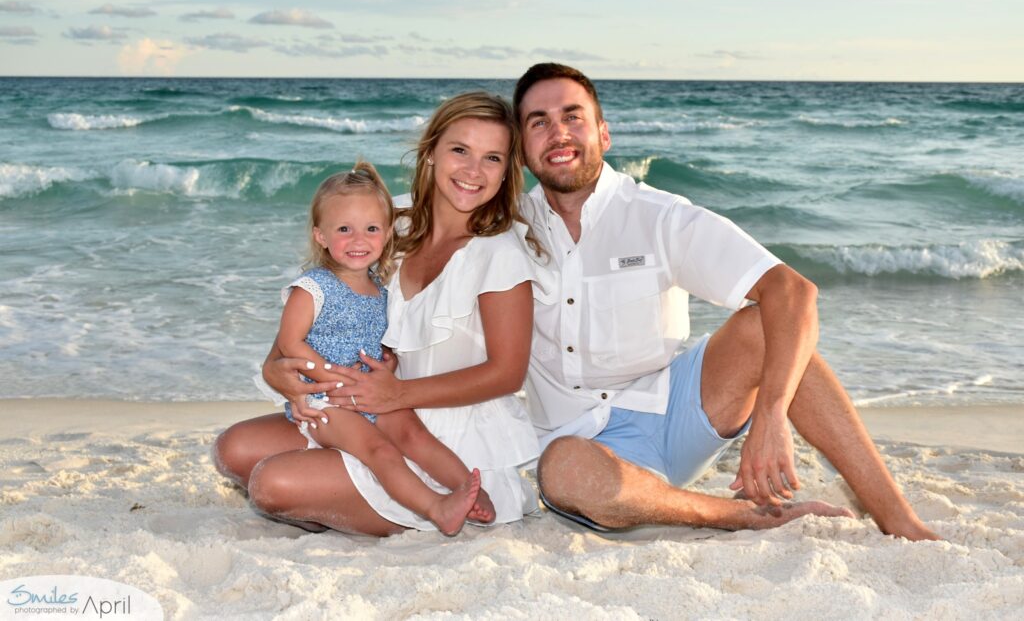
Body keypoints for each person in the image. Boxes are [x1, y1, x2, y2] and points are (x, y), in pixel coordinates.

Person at [511, 62, 939, 540]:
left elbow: (793, 291)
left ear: (603, 134)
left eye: (573, 117)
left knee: (764, 324)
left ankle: (900, 519)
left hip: (674, 414)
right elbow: (422, 221)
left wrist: (772, 414)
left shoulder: (657, 216)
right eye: (540, 122)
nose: (559, 133)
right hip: (580, 448)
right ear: (523, 147)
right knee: (563, 468)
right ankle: (738, 516)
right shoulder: (504, 230)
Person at [214, 92, 550, 536]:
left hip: (437, 431)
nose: (473, 170)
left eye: (492, 157)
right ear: (430, 152)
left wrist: (397, 395)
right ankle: (334, 496)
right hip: (359, 406)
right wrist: (280, 375)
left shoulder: (499, 252)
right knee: (232, 450)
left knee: (271, 485)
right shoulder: (391, 221)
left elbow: (507, 374)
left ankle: (403, 503)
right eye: (459, 150)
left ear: (508, 171)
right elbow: (312, 317)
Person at [272, 162, 490, 535]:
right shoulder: (312, 288)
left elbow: (377, 340)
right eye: (344, 229)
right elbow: (289, 343)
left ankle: (470, 491)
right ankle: (436, 508)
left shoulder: (379, 288)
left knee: (415, 435)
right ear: (320, 235)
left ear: (388, 233)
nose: (359, 239)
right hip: (329, 403)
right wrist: (335, 380)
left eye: (371, 229)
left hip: (370, 393)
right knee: (381, 451)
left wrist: (387, 359)